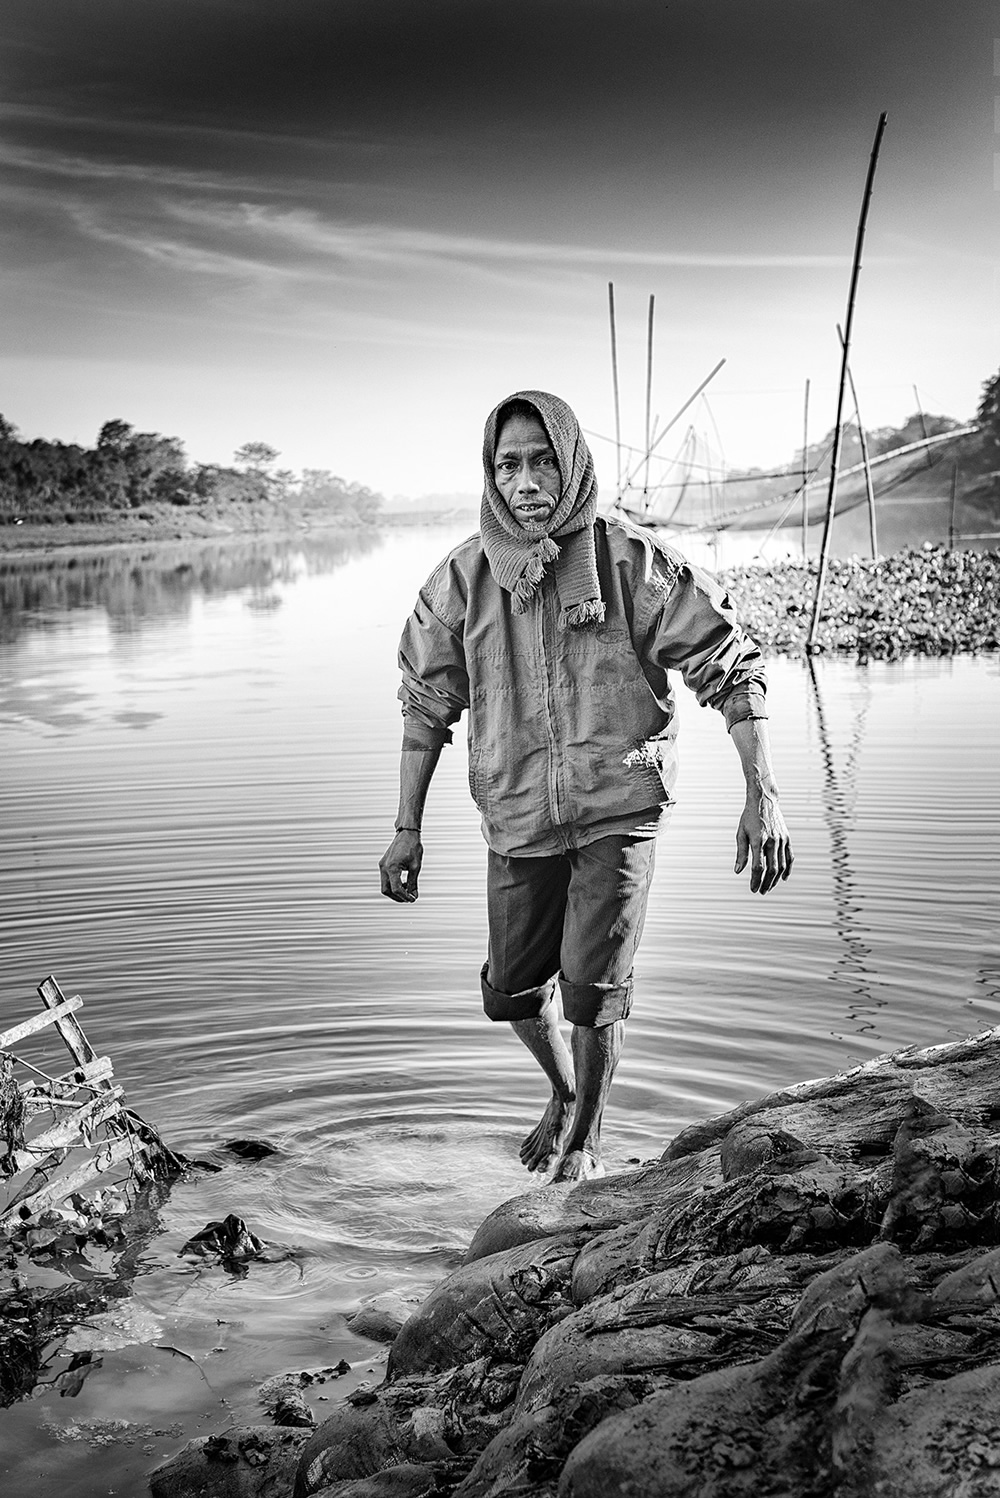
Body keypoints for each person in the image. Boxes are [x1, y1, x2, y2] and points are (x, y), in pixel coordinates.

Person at [379, 390, 791, 1184]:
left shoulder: (631, 561)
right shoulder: (464, 580)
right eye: (510, 465)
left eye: (543, 462)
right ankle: (564, 1092)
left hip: (618, 806)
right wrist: (406, 826)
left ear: (571, 465)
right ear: (491, 477)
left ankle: (585, 1146)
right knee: (509, 991)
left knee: (593, 991)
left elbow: (729, 665)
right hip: (517, 813)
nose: (526, 481)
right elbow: (426, 704)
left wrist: (763, 793)